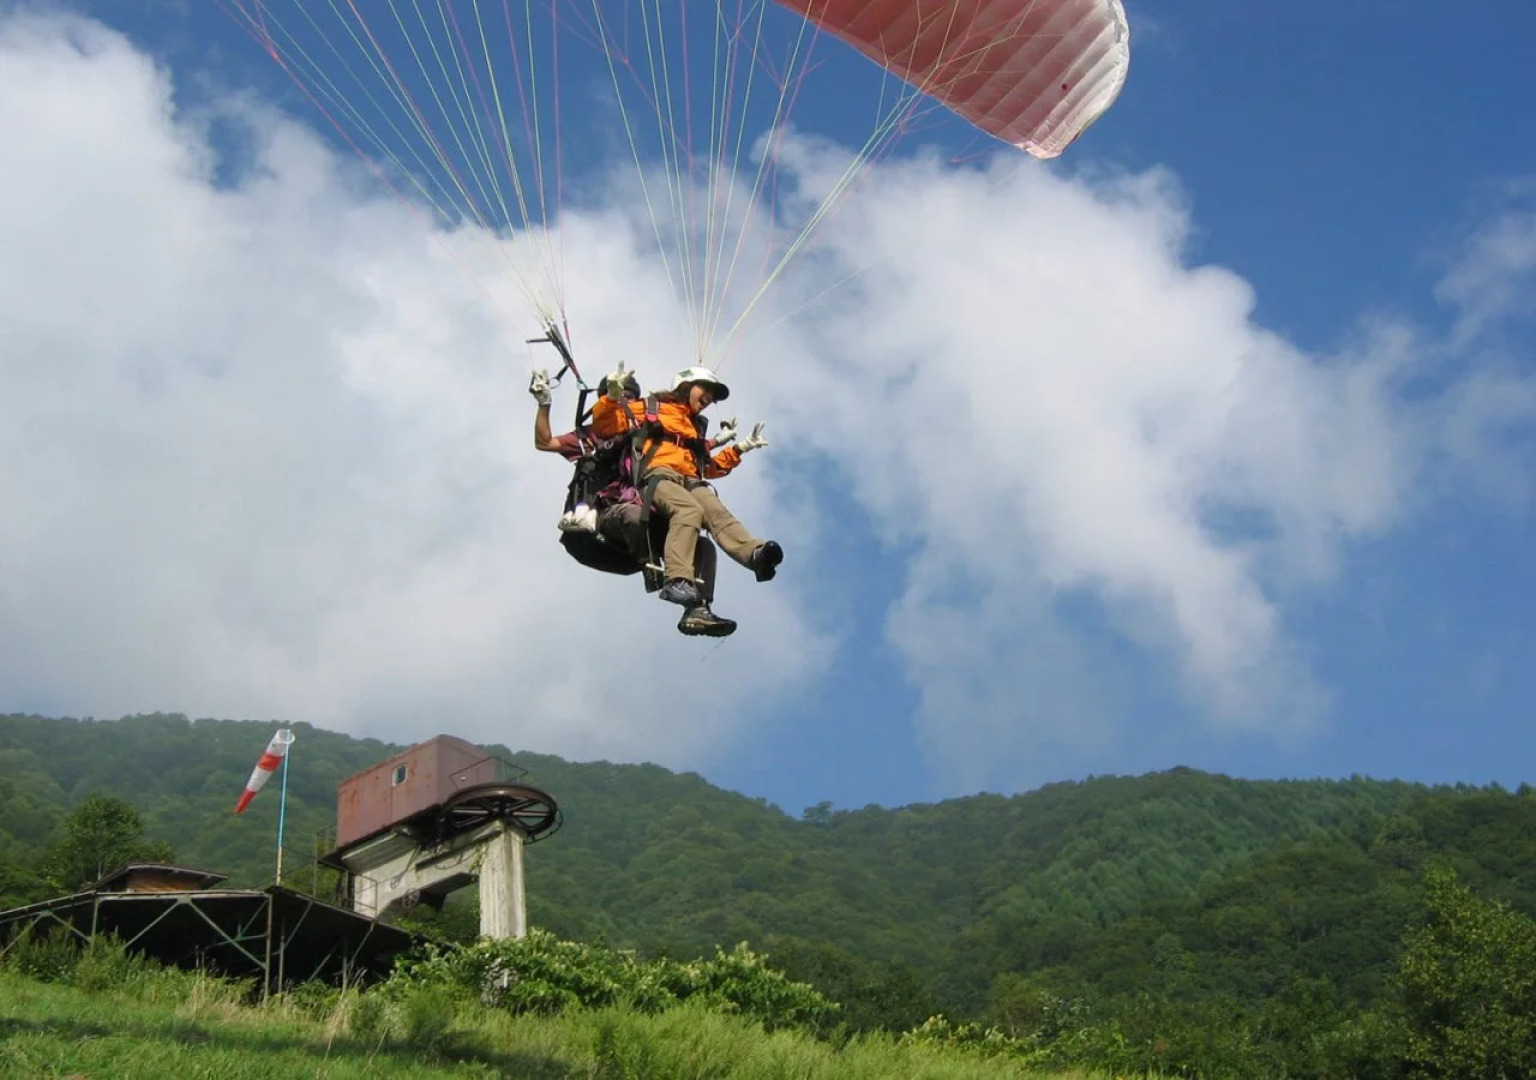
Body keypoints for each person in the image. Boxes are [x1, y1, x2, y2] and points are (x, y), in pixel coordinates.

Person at [530, 368, 738, 637]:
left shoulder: (647, 431)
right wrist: (544, 404)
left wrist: (722, 444)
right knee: (633, 514)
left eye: (631, 396)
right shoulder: (595, 435)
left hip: (640, 531)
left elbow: (685, 455)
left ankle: (697, 610)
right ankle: (651, 570)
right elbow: (545, 442)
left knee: (704, 547)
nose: (626, 401)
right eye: (619, 395)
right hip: (604, 527)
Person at [589, 362, 782, 614]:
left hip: (690, 479)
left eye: (713, 394)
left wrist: (739, 449)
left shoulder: (692, 426)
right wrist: (611, 398)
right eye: (706, 389)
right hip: (657, 476)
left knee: (715, 511)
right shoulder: (650, 407)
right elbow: (605, 426)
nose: (710, 397)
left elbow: (707, 468)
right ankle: (677, 579)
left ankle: (753, 555)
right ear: (685, 386)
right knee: (689, 511)